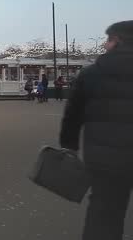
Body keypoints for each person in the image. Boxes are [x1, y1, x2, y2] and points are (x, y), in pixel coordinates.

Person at [60, 20, 133, 240]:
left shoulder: (93, 73)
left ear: (118, 41)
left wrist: (69, 145)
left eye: (108, 39)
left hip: (105, 158)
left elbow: (73, 115)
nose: (104, 45)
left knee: (104, 214)